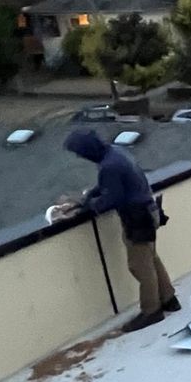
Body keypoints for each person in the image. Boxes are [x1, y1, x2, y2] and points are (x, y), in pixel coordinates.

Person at [64, 129, 178, 331]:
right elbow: (109, 186)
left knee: (139, 265)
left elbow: (111, 199)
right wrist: (91, 195)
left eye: (79, 153)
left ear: (87, 151)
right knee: (151, 258)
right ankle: (169, 299)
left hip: (137, 218)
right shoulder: (116, 152)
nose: (80, 157)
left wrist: (89, 207)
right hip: (148, 211)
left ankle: (152, 311)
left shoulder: (109, 166)